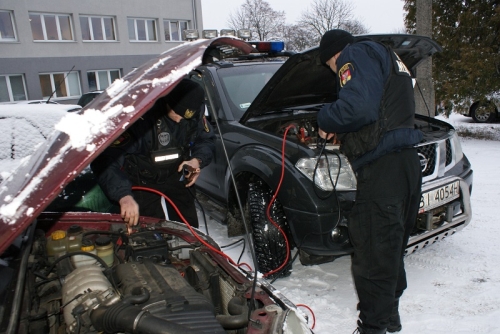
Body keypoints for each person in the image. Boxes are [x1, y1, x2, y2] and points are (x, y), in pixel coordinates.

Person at [316, 30, 423, 333]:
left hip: (382, 171)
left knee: (373, 256)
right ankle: (390, 316)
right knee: (390, 250)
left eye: (330, 67)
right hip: (406, 166)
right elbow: (377, 110)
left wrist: (325, 119)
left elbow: (357, 108)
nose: (335, 73)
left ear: (334, 55)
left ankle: (373, 327)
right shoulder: (389, 56)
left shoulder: (354, 54)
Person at [91, 79, 215, 230]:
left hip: (177, 175)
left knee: (188, 229)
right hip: (143, 179)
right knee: (151, 231)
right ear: (168, 101)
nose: (181, 119)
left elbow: (206, 140)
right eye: (177, 113)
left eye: (187, 116)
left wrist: (197, 161)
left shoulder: (194, 110)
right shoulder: (140, 119)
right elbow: (106, 160)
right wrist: (123, 196)